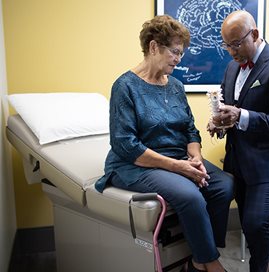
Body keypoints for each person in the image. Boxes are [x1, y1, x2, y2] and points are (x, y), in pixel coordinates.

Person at [94, 15, 233, 272]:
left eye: (181, 53)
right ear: (154, 46)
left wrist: (195, 158)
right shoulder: (125, 87)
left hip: (176, 157)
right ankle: (210, 262)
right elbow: (126, 144)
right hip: (135, 164)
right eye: (175, 52)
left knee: (223, 184)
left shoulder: (176, 86)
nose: (179, 59)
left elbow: (189, 129)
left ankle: (198, 259)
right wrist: (179, 167)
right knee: (190, 195)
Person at [208, 10, 269, 272]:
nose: (231, 52)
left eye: (236, 44)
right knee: (256, 228)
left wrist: (241, 116)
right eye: (226, 45)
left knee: (255, 223)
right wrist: (219, 122)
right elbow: (229, 109)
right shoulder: (230, 67)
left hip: (268, 161)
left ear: (255, 34)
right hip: (238, 160)